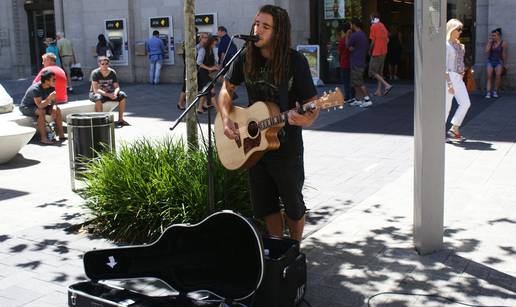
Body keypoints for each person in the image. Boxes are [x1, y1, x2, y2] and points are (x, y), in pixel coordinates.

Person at [218, 4, 319, 242]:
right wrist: (225, 118)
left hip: (286, 146)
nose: (258, 29)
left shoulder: (295, 62)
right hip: (254, 147)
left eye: (265, 26)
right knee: (266, 206)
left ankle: (293, 250)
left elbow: (312, 104)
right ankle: (276, 249)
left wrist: (304, 118)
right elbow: (225, 89)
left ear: (279, 31)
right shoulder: (245, 56)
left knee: (294, 206)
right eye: (256, 24)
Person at [19, 70, 66, 144]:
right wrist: (49, 98)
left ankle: (61, 135)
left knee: (57, 109)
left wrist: (54, 108)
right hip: (27, 107)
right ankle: (43, 138)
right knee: (42, 111)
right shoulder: (36, 89)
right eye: (53, 79)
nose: (55, 81)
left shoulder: (51, 87)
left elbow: (54, 102)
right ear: (47, 81)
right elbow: (40, 105)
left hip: (42, 104)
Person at [445, 19, 471, 142]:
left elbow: (459, 61)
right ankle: (440, 133)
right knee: (446, 107)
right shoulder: (446, 45)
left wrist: (464, 69)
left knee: (466, 103)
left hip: (458, 77)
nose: (461, 31)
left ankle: (454, 128)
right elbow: (443, 66)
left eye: (461, 29)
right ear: (451, 29)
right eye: (458, 29)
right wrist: (449, 83)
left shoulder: (459, 45)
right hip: (449, 77)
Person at [89, 56, 129, 127]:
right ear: (99, 64)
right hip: (98, 93)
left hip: (110, 93)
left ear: (108, 64)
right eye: (102, 64)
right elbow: (96, 89)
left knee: (122, 95)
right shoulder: (95, 73)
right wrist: (108, 95)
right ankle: (100, 121)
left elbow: (117, 87)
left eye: (106, 63)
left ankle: (120, 119)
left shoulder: (112, 72)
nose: (105, 65)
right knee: (98, 97)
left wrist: (115, 93)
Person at [347, 18, 372, 108]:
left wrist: (347, 35)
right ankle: (358, 99)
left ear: (354, 25)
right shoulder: (363, 34)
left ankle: (367, 99)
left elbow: (348, 45)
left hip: (356, 61)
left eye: (351, 24)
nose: (350, 26)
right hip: (360, 60)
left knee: (359, 82)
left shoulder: (354, 35)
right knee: (356, 82)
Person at [368, 13, 392, 97]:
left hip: (376, 52)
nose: (370, 19)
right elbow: (388, 39)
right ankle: (378, 91)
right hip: (384, 51)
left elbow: (373, 41)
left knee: (372, 71)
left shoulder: (373, 26)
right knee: (379, 72)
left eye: (370, 18)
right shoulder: (382, 25)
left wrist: (370, 50)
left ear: (373, 18)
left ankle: (387, 85)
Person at [196, 33, 218, 113]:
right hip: (203, 73)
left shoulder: (211, 50)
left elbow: (213, 61)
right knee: (212, 91)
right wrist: (210, 68)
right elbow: (198, 63)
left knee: (204, 90)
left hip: (209, 72)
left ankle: (200, 108)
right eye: (214, 44)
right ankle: (219, 111)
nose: (215, 45)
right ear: (210, 43)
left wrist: (216, 66)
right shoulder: (202, 50)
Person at [485, 28, 508, 98]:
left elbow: (504, 54)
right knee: (489, 76)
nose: (493, 37)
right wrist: (489, 43)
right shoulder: (490, 42)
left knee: (498, 76)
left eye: (494, 35)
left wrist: (504, 64)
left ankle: (495, 91)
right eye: (492, 36)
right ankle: (488, 92)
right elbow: (486, 51)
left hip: (499, 61)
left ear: (498, 36)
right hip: (490, 60)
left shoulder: (503, 43)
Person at [337, 22, 355, 103]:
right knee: (352, 79)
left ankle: (347, 96)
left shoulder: (342, 40)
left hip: (344, 62)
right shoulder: (353, 38)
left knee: (346, 81)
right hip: (352, 61)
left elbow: (339, 52)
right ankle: (353, 96)